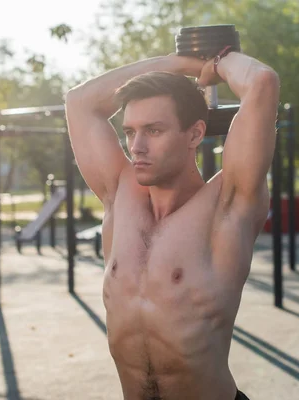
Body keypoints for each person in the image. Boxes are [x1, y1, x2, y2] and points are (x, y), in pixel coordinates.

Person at [65, 46, 280, 400]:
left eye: (154, 130)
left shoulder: (227, 206)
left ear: (195, 134)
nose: (137, 146)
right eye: (130, 131)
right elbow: (80, 102)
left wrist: (219, 61)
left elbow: (262, 82)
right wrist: (178, 63)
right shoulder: (119, 195)